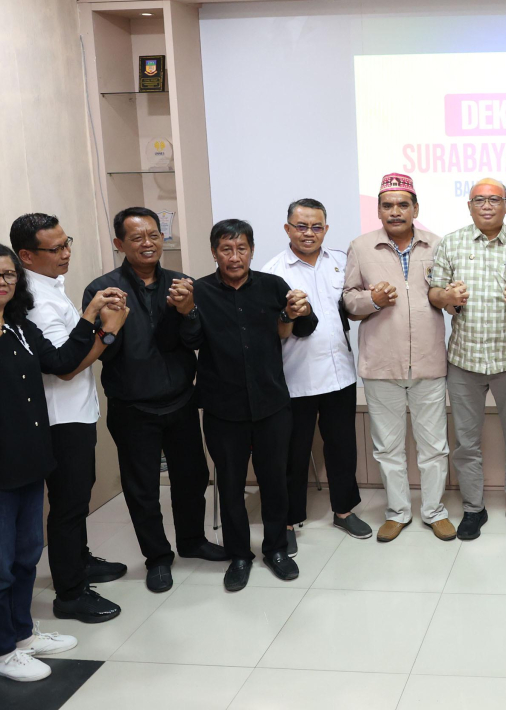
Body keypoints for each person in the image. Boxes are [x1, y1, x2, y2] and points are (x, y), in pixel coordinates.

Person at [0, 243, 125, 682]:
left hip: (28, 467)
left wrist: (92, 317)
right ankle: (0, 651)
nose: (1, 282)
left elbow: (62, 361)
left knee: (25, 558)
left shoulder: (19, 327)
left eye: (9, 274)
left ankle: (21, 635)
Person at [83, 207, 227, 594]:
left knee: (191, 477)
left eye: (153, 235)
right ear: (119, 243)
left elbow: (195, 341)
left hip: (180, 400)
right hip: (132, 406)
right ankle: (158, 557)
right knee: (143, 488)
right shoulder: (103, 290)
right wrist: (110, 325)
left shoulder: (182, 284)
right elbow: (100, 350)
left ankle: (192, 541)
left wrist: (188, 311)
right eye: (137, 238)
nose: (147, 243)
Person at [187, 219, 316, 591]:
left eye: (241, 248)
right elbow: (189, 340)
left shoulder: (272, 285)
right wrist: (186, 312)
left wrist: (300, 309)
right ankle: (239, 555)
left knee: (275, 481)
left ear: (252, 250)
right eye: (226, 249)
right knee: (230, 486)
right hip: (222, 408)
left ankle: (276, 549)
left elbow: (305, 327)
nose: (234, 257)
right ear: (214, 253)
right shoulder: (199, 291)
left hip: (271, 403)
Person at [11, 214, 128, 623]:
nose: (66, 253)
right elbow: (64, 365)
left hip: (76, 411)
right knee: (68, 503)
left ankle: (80, 561)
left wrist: (95, 322)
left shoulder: (50, 286)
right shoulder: (36, 299)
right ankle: (71, 592)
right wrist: (107, 331)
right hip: (60, 417)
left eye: (67, 243)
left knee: (79, 495)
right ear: (27, 255)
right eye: (55, 248)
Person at [428, 178, 506, 540]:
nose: (486, 205)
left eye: (494, 199)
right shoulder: (451, 242)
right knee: (466, 442)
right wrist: (446, 296)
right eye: (479, 200)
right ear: (469, 206)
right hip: (464, 360)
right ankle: (472, 508)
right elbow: (434, 291)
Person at [343, 174, 454, 542]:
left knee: (434, 447)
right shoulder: (361, 247)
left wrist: (453, 296)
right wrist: (372, 300)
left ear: (415, 209)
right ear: (378, 210)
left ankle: (434, 511)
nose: (395, 211)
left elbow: (448, 297)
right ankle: (398, 512)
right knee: (388, 448)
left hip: (428, 362)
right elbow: (349, 301)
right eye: (387, 205)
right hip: (381, 365)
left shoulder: (438, 245)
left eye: (403, 205)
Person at [261, 199, 370, 549]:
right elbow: (271, 329)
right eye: (301, 226)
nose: (309, 233)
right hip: (296, 378)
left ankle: (344, 510)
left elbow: (350, 310)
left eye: (316, 226)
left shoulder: (340, 262)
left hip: (341, 375)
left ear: (326, 229)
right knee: (293, 454)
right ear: (287, 228)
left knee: (343, 448)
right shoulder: (272, 272)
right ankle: (289, 521)